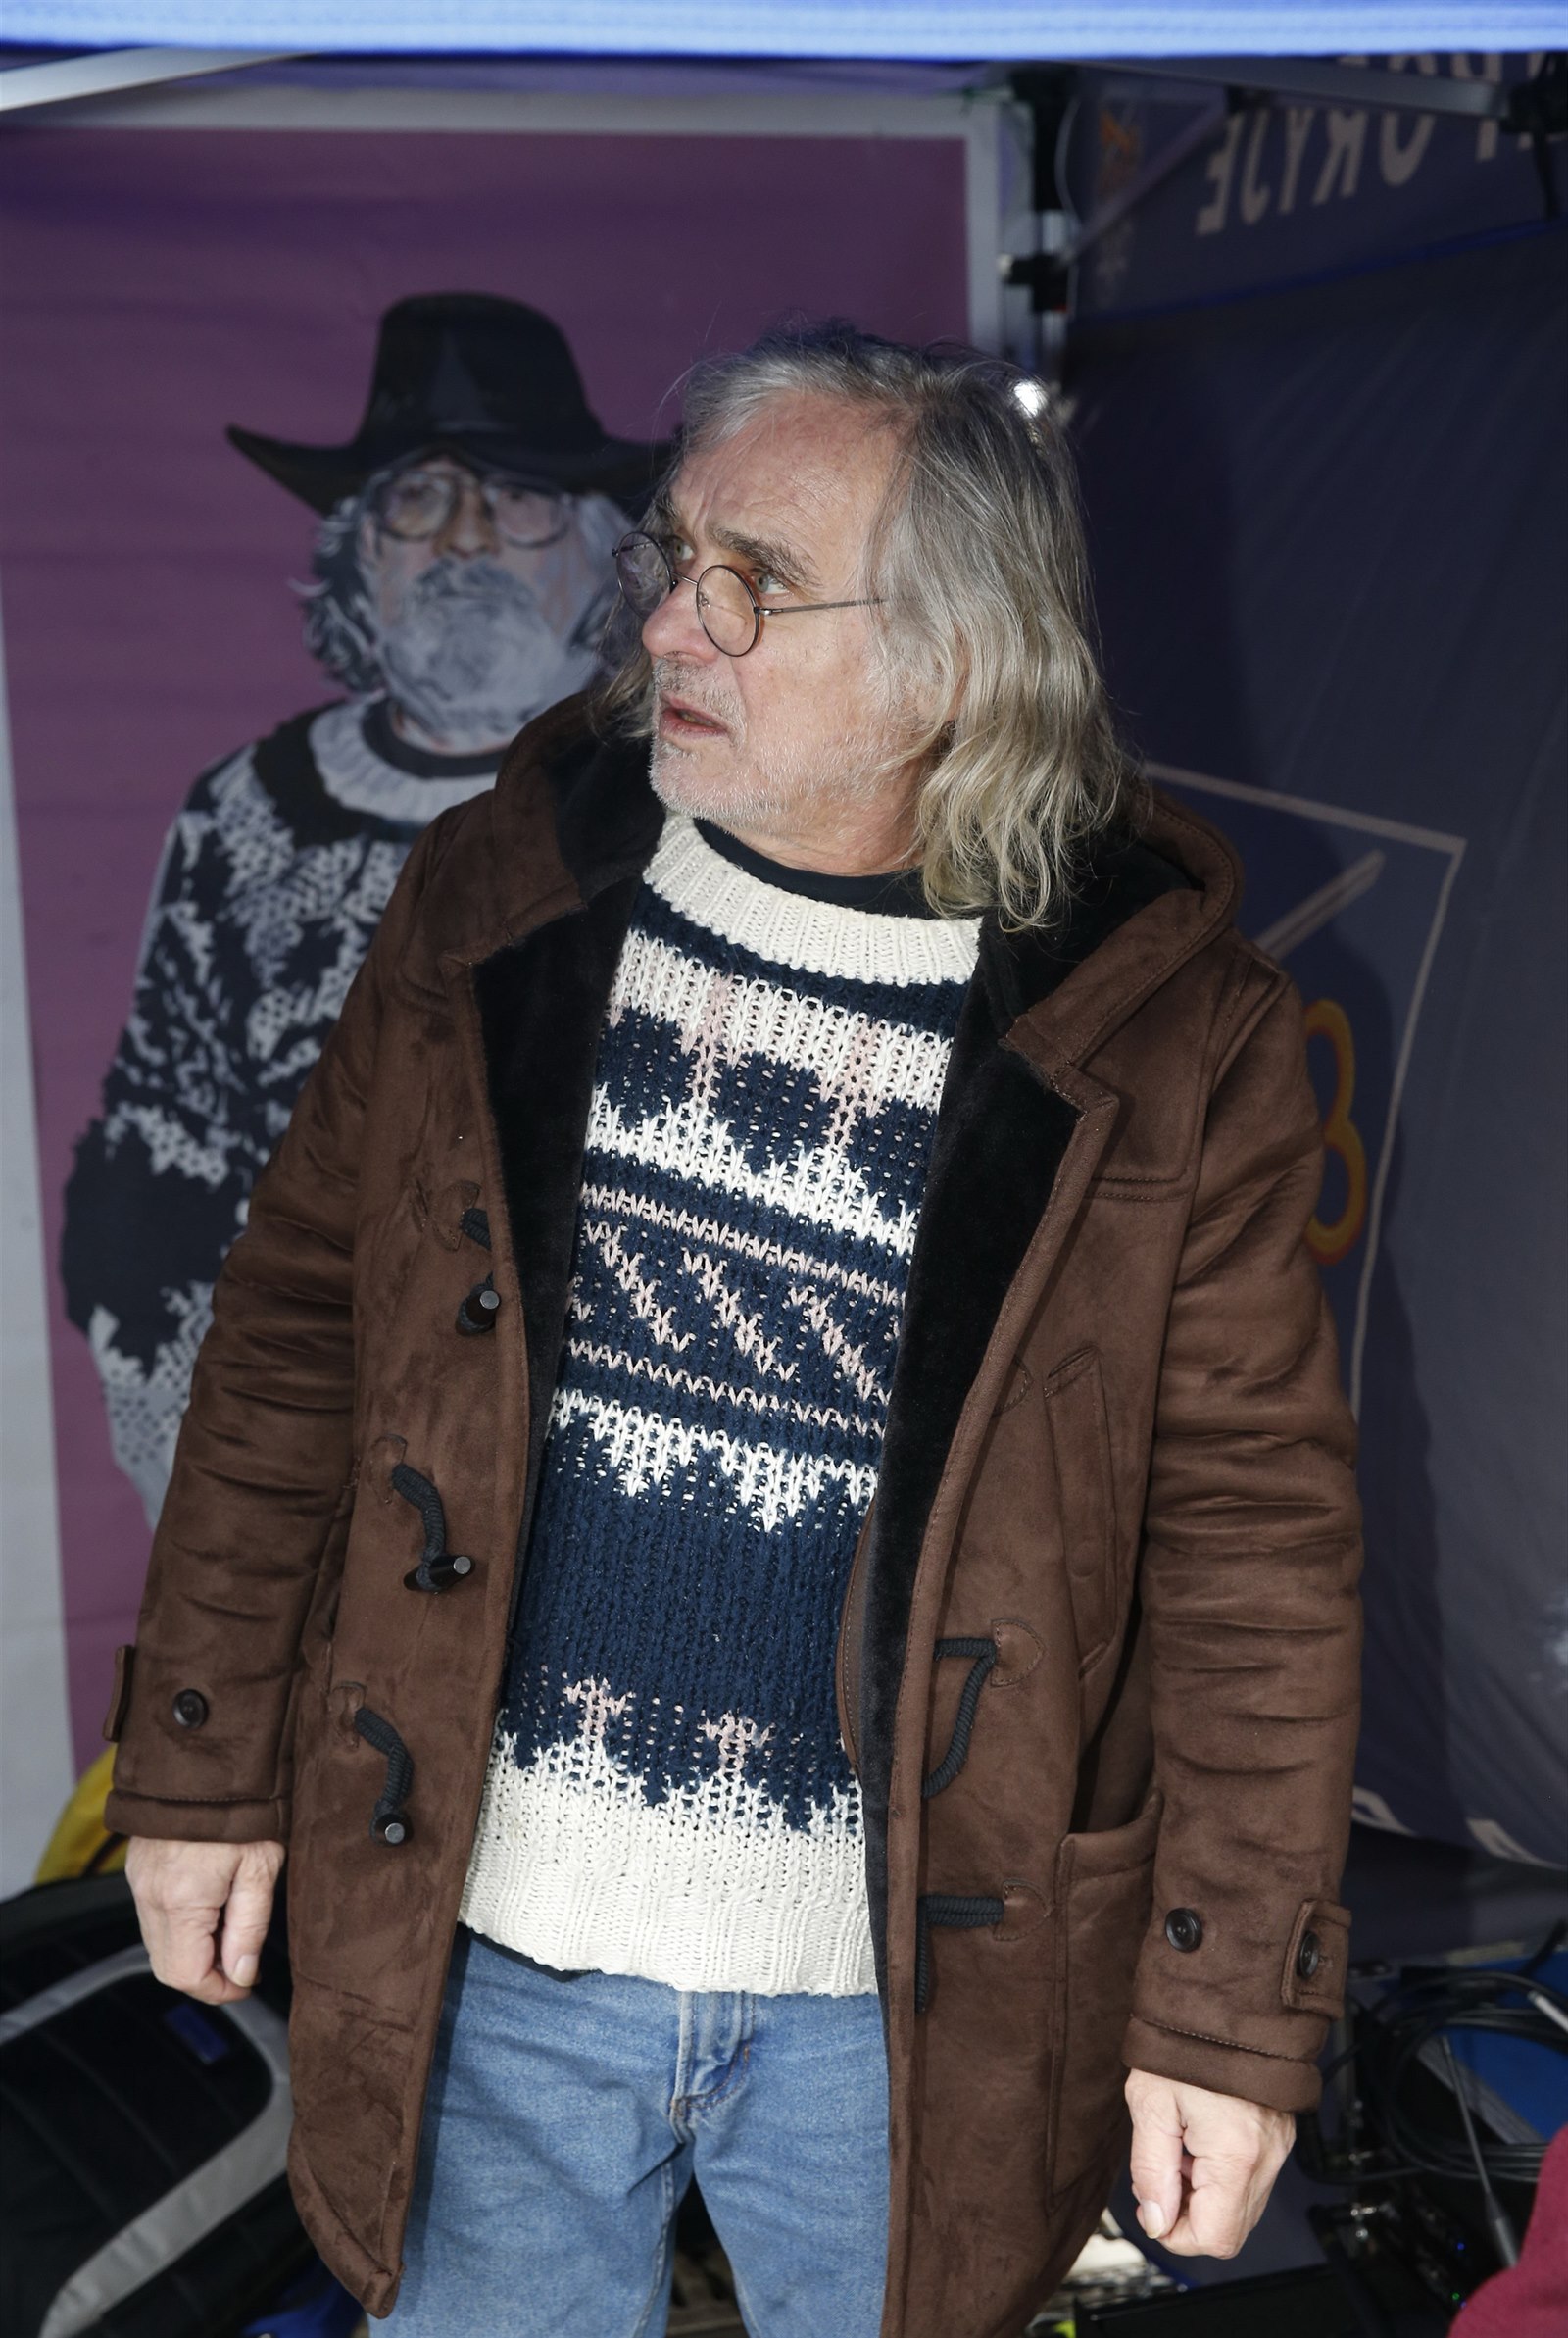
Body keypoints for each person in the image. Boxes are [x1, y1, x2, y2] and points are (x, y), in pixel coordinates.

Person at [108, 323, 1363, 2338]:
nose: (669, 626)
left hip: (913, 2001)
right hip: (478, 1951)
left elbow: (1253, 1555)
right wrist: (197, 1764)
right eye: (674, 559)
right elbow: (288, 1341)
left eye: (753, 584)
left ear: (955, 656)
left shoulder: (1164, 1034)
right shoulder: (499, 896)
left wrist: (1224, 2009)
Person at [62, 292, 660, 1525]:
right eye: (418, 500)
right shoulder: (248, 812)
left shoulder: (676, 800)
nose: (465, 540)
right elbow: (157, 1164)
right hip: (310, 1444)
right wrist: (217, 1476)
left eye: (517, 498)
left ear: (597, 549)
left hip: (607, 1463)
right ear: (360, 556)